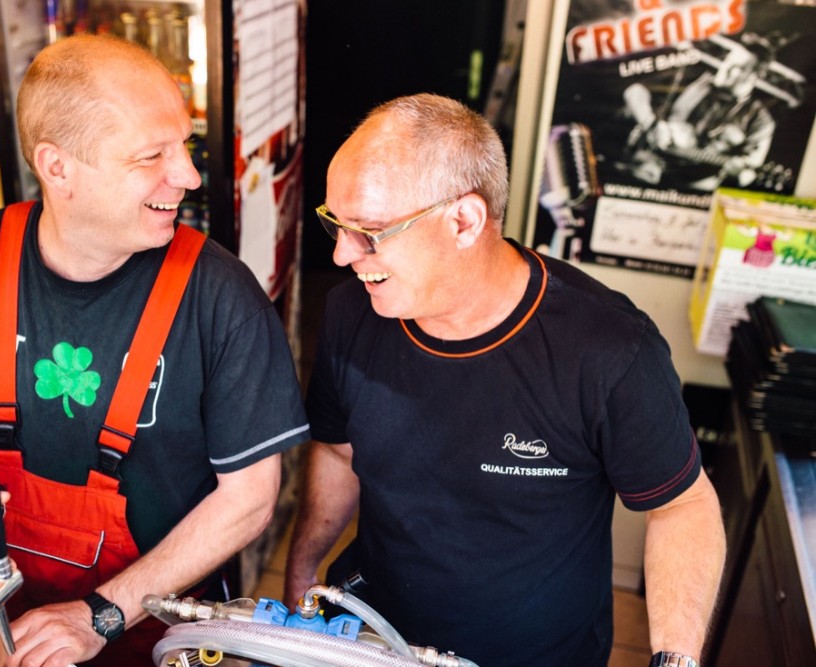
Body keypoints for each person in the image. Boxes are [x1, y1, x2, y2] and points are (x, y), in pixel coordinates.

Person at [0, 35, 310, 666]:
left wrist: (104, 612)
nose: (189, 177)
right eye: (152, 156)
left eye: (184, 147)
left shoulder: (220, 295)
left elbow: (248, 500)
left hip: (167, 620)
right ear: (57, 167)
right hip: (11, 618)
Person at [284, 93, 726, 667]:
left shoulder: (610, 351)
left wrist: (676, 659)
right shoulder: (354, 313)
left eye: (369, 230)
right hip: (372, 638)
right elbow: (339, 454)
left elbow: (682, 507)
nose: (343, 255)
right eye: (335, 225)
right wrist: (300, 571)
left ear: (463, 221)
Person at [622, 35, 778, 191]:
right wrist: (651, 125)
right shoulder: (692, 77)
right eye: (727, 60)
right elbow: (635, 91)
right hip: (650, 160)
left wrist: (738, 173)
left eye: (737, 67)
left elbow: (749, 172)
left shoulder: (761, 121)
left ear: (756, 75)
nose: (725, 68)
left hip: (693, 185)